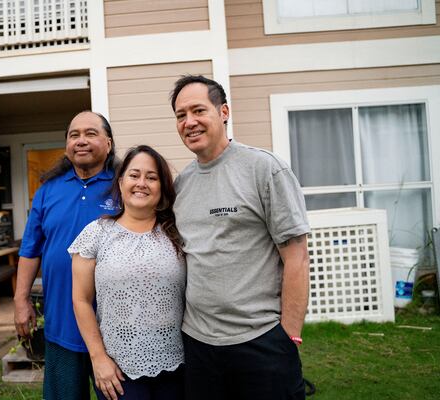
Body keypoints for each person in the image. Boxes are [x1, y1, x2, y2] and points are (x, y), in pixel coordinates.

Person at [170, 75, 311, 399]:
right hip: (199, 344)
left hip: (261, 342)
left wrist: (289, 336)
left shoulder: (265, 169)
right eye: (180, 115)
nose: (189, 122)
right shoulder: (183, 184)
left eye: (198, 111)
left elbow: (297, 256)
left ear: (224, 112)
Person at [14, 111, 118, 400]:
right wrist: (21, 299)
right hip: (62, 322)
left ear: (108, 143)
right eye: (74, 135)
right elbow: (30, 249)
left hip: (113, 327)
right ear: (66, 146)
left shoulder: (123, 186)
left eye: (90, 133)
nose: (81, 141)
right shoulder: (48, 191)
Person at [69, 145, 186, 400]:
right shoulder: (96, 233)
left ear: (162, 187)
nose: (141, 183)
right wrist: (98, 358)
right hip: (118, 370)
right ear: (121, 182)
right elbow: (81, 300)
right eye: (134, 175)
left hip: (179, 365)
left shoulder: (178, 233)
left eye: (151, 177)